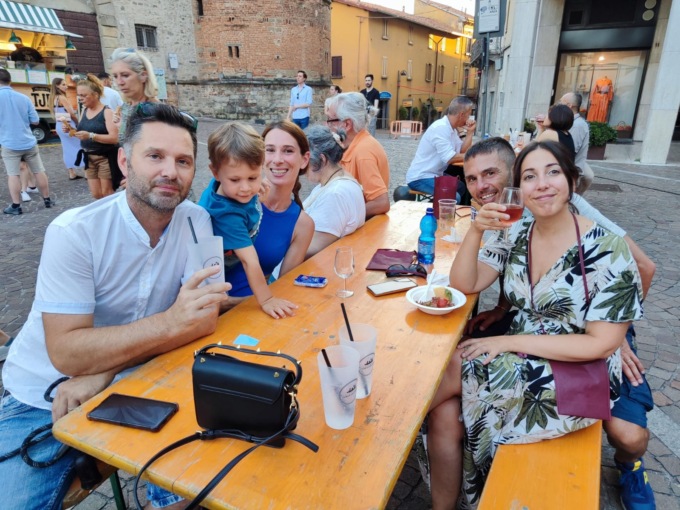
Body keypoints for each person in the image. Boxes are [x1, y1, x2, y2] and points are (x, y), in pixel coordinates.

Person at [0, 103, 231, 510]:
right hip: (43, 397)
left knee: (206, 481)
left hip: (138, 380)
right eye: (154, 156)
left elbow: (203, 319)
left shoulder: (196, 220)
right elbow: (67, 353)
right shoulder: (75, 232)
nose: (170, 172)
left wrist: (104, 370)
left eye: (183, 161)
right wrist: (171, 323)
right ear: (124, 161)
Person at [426, 137, 656, 510]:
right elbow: (465, 283)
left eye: (552, 172)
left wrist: (505, 342)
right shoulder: (515, 230)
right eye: (530, 176)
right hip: (526, 356)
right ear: (520, 188)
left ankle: (388, 432)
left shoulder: (608, 249)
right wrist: (476, 231)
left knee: (458, 364)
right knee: (444, 413)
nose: (542, 184)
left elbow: (600, 344)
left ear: (571, 180)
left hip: (579, 374)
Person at [198, 122, 298, 319]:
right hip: (213, 277)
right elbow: (249, 260)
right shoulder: (227, 215)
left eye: (252, 178)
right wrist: (267, 300)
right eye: (235, 180)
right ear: (215, 172)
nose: (245, 188)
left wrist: (258, 196)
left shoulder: (232, 187)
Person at [221, 120, 315, 306]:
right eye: (270, 150)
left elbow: (285, 287)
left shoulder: (302, 224)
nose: (277, 159)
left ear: (304, 159)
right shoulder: (235, 195)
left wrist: (234, 303)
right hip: (210, 307)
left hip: (255, 309)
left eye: (288, 151)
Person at [303, 124, 365, 258]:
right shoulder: (340, 180)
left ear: (322, 159)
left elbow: (313, 247)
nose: (301, 168)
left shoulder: (335, 194)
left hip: (315, 267)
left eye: (305, 161)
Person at [326, 92, 390, 219]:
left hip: (362, 226)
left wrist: (344, 216)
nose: (327, 125)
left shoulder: (363, 152)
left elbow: (381, 203)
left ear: (347, 124)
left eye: (330, 120)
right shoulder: (352, 145)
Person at [0, 68, 53, 215]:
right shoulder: (24, 98)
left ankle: (16, 206)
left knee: (13, 174)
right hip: (28, 141)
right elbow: (35, 121)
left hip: (9, 143)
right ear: (10, 81)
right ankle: (47, 199)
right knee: (38, 170)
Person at [405, 96, 475, 199]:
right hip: (420, 177)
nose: (469, 119)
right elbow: (450, 158)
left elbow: (461, 151)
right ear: (461, 115)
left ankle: (439, 205)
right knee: (453, 197)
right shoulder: (440, 128)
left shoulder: (452, 129)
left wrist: (470, 132)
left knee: (461, 187)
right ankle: (437, 208)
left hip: (434, 175)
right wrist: (473, 156)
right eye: (469, 115)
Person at [69, 74, 119, 199]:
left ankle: (111, 212)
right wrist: (71, 130)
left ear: (96, 95)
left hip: (104, 158)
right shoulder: (85, 110)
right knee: (96, 194)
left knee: (107, 194)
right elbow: (82, 132)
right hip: (88, 157)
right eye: (79, 95)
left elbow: (114, 138)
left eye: (84, 95)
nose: (80, 98)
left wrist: (91, 136)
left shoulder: (107, 112)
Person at [110, 47, 159, 145]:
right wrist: (120, 126)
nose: (119, 82)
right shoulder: (125, 107)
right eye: (115, 76)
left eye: (125, 75)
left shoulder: (156, 110)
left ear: (143, 75)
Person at [50, 77, 84, 180]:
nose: (66, 87)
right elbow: (71, 113)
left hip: (59, 125)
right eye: (63, 84)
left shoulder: (53, 98)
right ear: (57, 86)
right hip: (68, 125)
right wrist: (78, 124)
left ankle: (71, 173)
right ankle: (86, 170)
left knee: (66, 149)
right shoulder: (62, 98)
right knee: (81, 146)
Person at [560, 92, 594, 194]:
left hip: (568, 168)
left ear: (569, 105)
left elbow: (569, 151)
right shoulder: (570, 122)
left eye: (561, 102)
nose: (558, 105)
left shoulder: (577, 125)